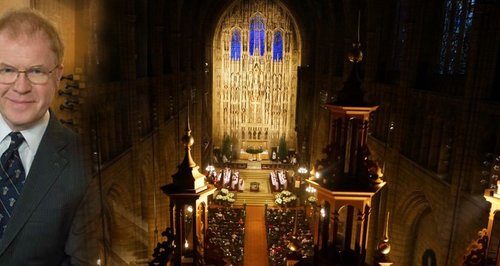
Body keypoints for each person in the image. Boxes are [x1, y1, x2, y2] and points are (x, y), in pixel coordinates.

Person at [0, 8, 96, 265]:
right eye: (6, 70)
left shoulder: (85, 164)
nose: (21, 87)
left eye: (36, 71)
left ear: (58, 74)